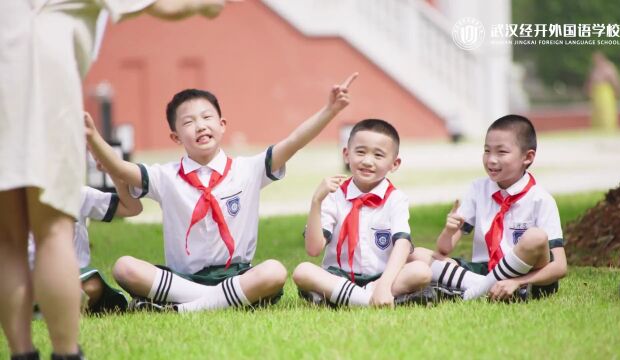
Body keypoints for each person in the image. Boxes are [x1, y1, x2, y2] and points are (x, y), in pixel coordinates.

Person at [0, 1, 227, 358]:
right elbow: (167, 6)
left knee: (8, 241)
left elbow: (128, 205)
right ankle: (65, 351)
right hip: (45, 86)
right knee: (54, 231)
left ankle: (20, 352)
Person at [85, 73, 359, 313]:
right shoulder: (164, 176)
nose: (201, 125)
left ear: (222, 124)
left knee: (274, 271)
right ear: (176, 137)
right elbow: (120, 168)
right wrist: (93, 137)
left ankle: (184, 310)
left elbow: (294, 142)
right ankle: (217, 301)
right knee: (124, 268)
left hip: (237, 275)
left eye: (207, 117)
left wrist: (329, 110)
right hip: (184, 280)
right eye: (189, 122)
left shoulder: (248, 169)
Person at [292, 119, 433, 308]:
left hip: (380, 277)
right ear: (346, 154)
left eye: (378, 155)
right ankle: (370, 300)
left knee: (421, 271)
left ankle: (346, 299)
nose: (367, 161)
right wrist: (316, 202)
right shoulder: (334, 195)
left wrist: (383, 284)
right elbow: (313, 249)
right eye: (360, 152)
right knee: (303, 271)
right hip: (337, 276)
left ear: (395, 163)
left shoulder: (396, 198)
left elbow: (402, 244)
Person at [427, 114, 567, 301]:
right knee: (418, 256)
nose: (491, 160)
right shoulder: (478, 189)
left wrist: (517, 281)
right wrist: (448, 231)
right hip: (484, 269)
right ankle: (489, 289)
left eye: (501, 152)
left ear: (528, 157)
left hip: (528, 277)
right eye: (487, 151)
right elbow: (444, 250)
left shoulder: (540, 199)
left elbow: (559, 267)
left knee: (535, 237)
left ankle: (473, 292)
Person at [28, 172, 142, 314]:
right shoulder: (13, 201)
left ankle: (48, 306)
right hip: (29, 278)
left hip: (75, 277)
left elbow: (132, 208)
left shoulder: (78, 195)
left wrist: (112, 170)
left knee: (93, 285)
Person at [585, 51, 620, 132]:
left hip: (605, 92)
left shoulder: (608, 67)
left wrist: (618, 89)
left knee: (606, 111)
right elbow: (590, 81)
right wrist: (589, 90)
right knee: (597, 112)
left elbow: (615, 80)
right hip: (597, 93)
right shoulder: (594, 68)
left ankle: (608, 128)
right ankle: (598, 129)